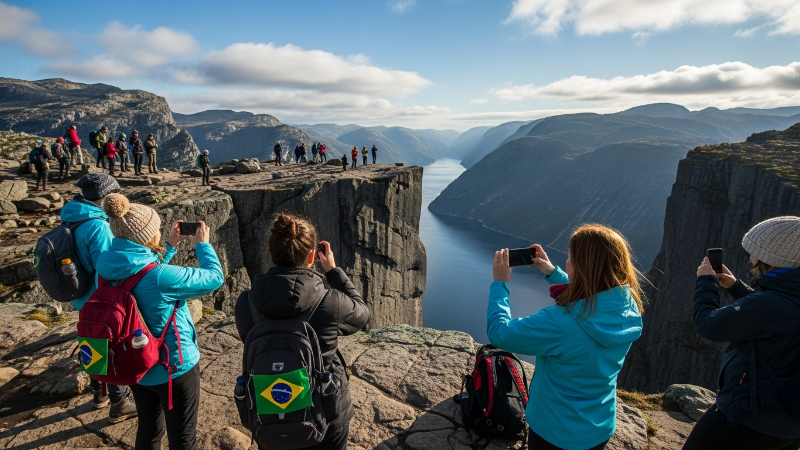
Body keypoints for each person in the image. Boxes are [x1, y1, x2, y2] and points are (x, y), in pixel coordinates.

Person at [487, 224, 645, 450]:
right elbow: (592, 294)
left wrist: (500, 284)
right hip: (599, 427)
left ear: (583, 268)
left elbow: (499, 334)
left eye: (570, 257)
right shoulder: (627, 307)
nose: (567, 261)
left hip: (554, 432)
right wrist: (552, 273)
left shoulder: (561, 322)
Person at [96, 194, 224, 450]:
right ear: (146, 237)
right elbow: (214, 277)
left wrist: (170, 246)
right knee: (183, 438)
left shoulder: (107, 268)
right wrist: (203, 245)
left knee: (149, 430)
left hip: (135, 364)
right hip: (173, 368)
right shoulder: (161, 277)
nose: (158, 232)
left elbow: (140, 274)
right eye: (156, 229)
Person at [234, 213, 369, 450]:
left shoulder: (246, 303)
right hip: (325, 414)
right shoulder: (330, 302)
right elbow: (362, 314)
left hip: (269, 413)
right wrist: (333, 271)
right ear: (311, 256)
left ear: (271, 253)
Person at [683, 217, 800, 450]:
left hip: (748, 418)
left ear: (773, 259)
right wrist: (736, 287)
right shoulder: (788, 297)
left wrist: (706, 283)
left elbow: (708, 324)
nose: (750, 257)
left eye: (755, 252)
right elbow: (779, 317)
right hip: (790, 425)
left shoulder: (768, 305)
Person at [63, 174, 137, 422]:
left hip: (82, 295)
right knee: (111, 344)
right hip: (101, 297)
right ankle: (120, 401)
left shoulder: (73, 217)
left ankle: (100, 393)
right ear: (107, 195)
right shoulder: (98, 226)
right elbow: (107, 267)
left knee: (91, 340)